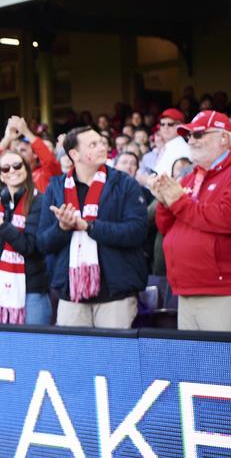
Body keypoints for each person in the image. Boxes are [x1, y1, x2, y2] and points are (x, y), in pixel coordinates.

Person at [152, 111, 231, 332]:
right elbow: (165, 227)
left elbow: (227, 218)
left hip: (226, 290)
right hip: (186, 290)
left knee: (227, 364)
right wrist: (164, 202)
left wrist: (178, 202)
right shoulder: (190, 175)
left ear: (224, 138)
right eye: (188, 136)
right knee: (195, 365)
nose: (191, 140)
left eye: (198, 134)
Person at [38, 126, 149, 329]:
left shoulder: (124, 184)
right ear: (74, 154)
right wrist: (62, 227)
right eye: (93, 144)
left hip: (116, 292)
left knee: (113, 359)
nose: (102, 147)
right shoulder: (55, 187)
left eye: (101, 142)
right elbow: (43, 242)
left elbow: (137, 231)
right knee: (75, 358)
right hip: (71, 293)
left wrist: (89, 227)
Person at [0, 125, 51, 325]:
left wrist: (0, 222)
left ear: (27, 169)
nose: (12, 171)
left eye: (17, 166)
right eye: (6, 168)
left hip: (31, 289)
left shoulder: (39, 201)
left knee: (34, 350)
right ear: (1, 176)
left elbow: (29, 247)